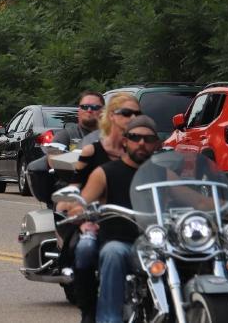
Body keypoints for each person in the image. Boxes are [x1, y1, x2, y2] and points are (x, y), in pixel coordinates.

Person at [56, 92, 140, 322]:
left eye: (137, 113)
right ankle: (89, 310)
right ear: (111, 116)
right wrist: (80, 216)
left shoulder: (140, 151)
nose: (133, 117)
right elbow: (74, 191)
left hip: (135, 221)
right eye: (127, 113)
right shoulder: (92, 151)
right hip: (96, 219)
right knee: (85, 249)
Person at [72, 116, 160, 323]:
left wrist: (221, 205)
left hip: (157, 244)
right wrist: (80, 212)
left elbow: (191, 198)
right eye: (135, 137)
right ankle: (109, 318)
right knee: (112, 252)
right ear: (125, 141)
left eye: (148, 139)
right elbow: (81, 203)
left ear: (156, 144)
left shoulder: (162, 173)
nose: (141, 143)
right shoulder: (105, 173)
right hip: (122, 242)